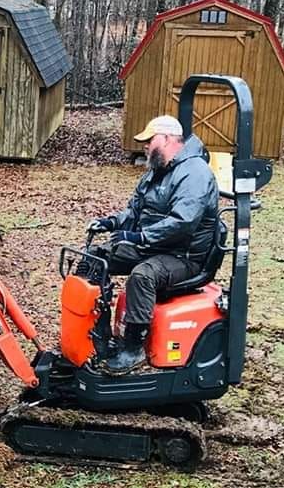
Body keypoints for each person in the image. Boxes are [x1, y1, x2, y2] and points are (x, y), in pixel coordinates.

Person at [86, 114, 220, 372]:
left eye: (150, 140)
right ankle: (97, 333)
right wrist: (111, 222)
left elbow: (182, 222)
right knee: (95, 258)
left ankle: (133, 349)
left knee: (142, 276)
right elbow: (135, 211)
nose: (145, 146)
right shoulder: (156, 172)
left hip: (184, 256)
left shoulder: (195, 173)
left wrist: (140, 237)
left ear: (168, 138)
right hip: (155, 247)